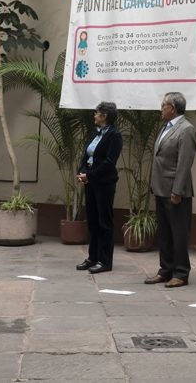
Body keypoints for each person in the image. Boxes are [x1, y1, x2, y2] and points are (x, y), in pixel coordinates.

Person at [144, 92, 196, 288]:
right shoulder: (166, 127)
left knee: (178, 233)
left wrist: (177, 191)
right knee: (165, 233)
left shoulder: (186, 129)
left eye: (163, 105)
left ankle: (181, 273)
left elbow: (184, 163)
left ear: (173, 108)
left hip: (175, 192)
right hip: (161, 188)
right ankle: (165, 270)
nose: (161, 109)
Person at [75, 101, 123, 274]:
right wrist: (82, 171)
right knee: (93, 221)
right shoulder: (95, 133)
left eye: (96, 113)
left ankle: (105, 261)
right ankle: (92, 257)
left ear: (104, 116)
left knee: (104, 222)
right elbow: (87, 155)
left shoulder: (115, 136)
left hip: (104, 183)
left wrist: (90, 175)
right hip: (90, 182)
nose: (94, 115)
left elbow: (109, 162)